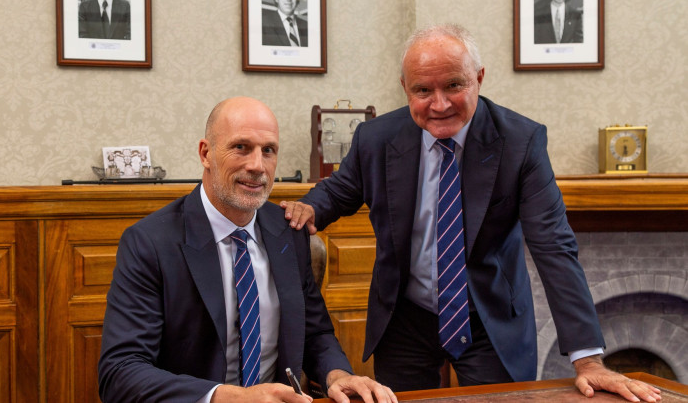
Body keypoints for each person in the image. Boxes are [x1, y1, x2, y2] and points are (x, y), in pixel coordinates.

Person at [281, 24, 662, 403]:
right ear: (405, 88)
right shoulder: (377, 138)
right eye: (423, 90)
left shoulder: (521, 143)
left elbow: (554, 247)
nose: (440, 103)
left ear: (479, 78)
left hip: (488, 316)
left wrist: (589, 361)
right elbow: (341, 190)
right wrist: (309, 207)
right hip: (405, 319)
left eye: (453, 86)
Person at [98, 97, 397, 403]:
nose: (257, 165)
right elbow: (121, 372)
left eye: (268, 150)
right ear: (206, 153)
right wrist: (228, 397)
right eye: (241, 147)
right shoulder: (150, 243)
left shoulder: (288, 231)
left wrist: (338, 376)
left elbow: (314, 333)